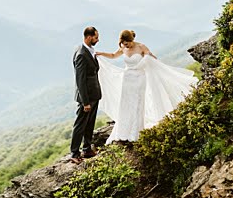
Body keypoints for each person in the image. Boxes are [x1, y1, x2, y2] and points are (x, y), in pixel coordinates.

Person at [95, 29, 198, 142]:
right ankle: (124, 130)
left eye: (127, 43)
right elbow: (113, 55)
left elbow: (152, 58)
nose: (126, 46)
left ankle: (136, 131)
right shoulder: (123, 48)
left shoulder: (141, 47)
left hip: (140, 78)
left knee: (137, 103)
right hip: (127, 79)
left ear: (131, 40)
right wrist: (101, 53)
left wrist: (149, 57)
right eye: (124, 44)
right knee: (126, 103)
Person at [70, 27, 102, 163]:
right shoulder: (81, 54)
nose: (98, 40)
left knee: (90, 123)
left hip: (94, 94)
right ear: (89, 37)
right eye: (96, 37)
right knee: (80, 125)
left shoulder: (88, 50)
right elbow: (80, 80)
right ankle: (74, 153)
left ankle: (87, 149)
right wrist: (85, 102)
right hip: (87, 97)